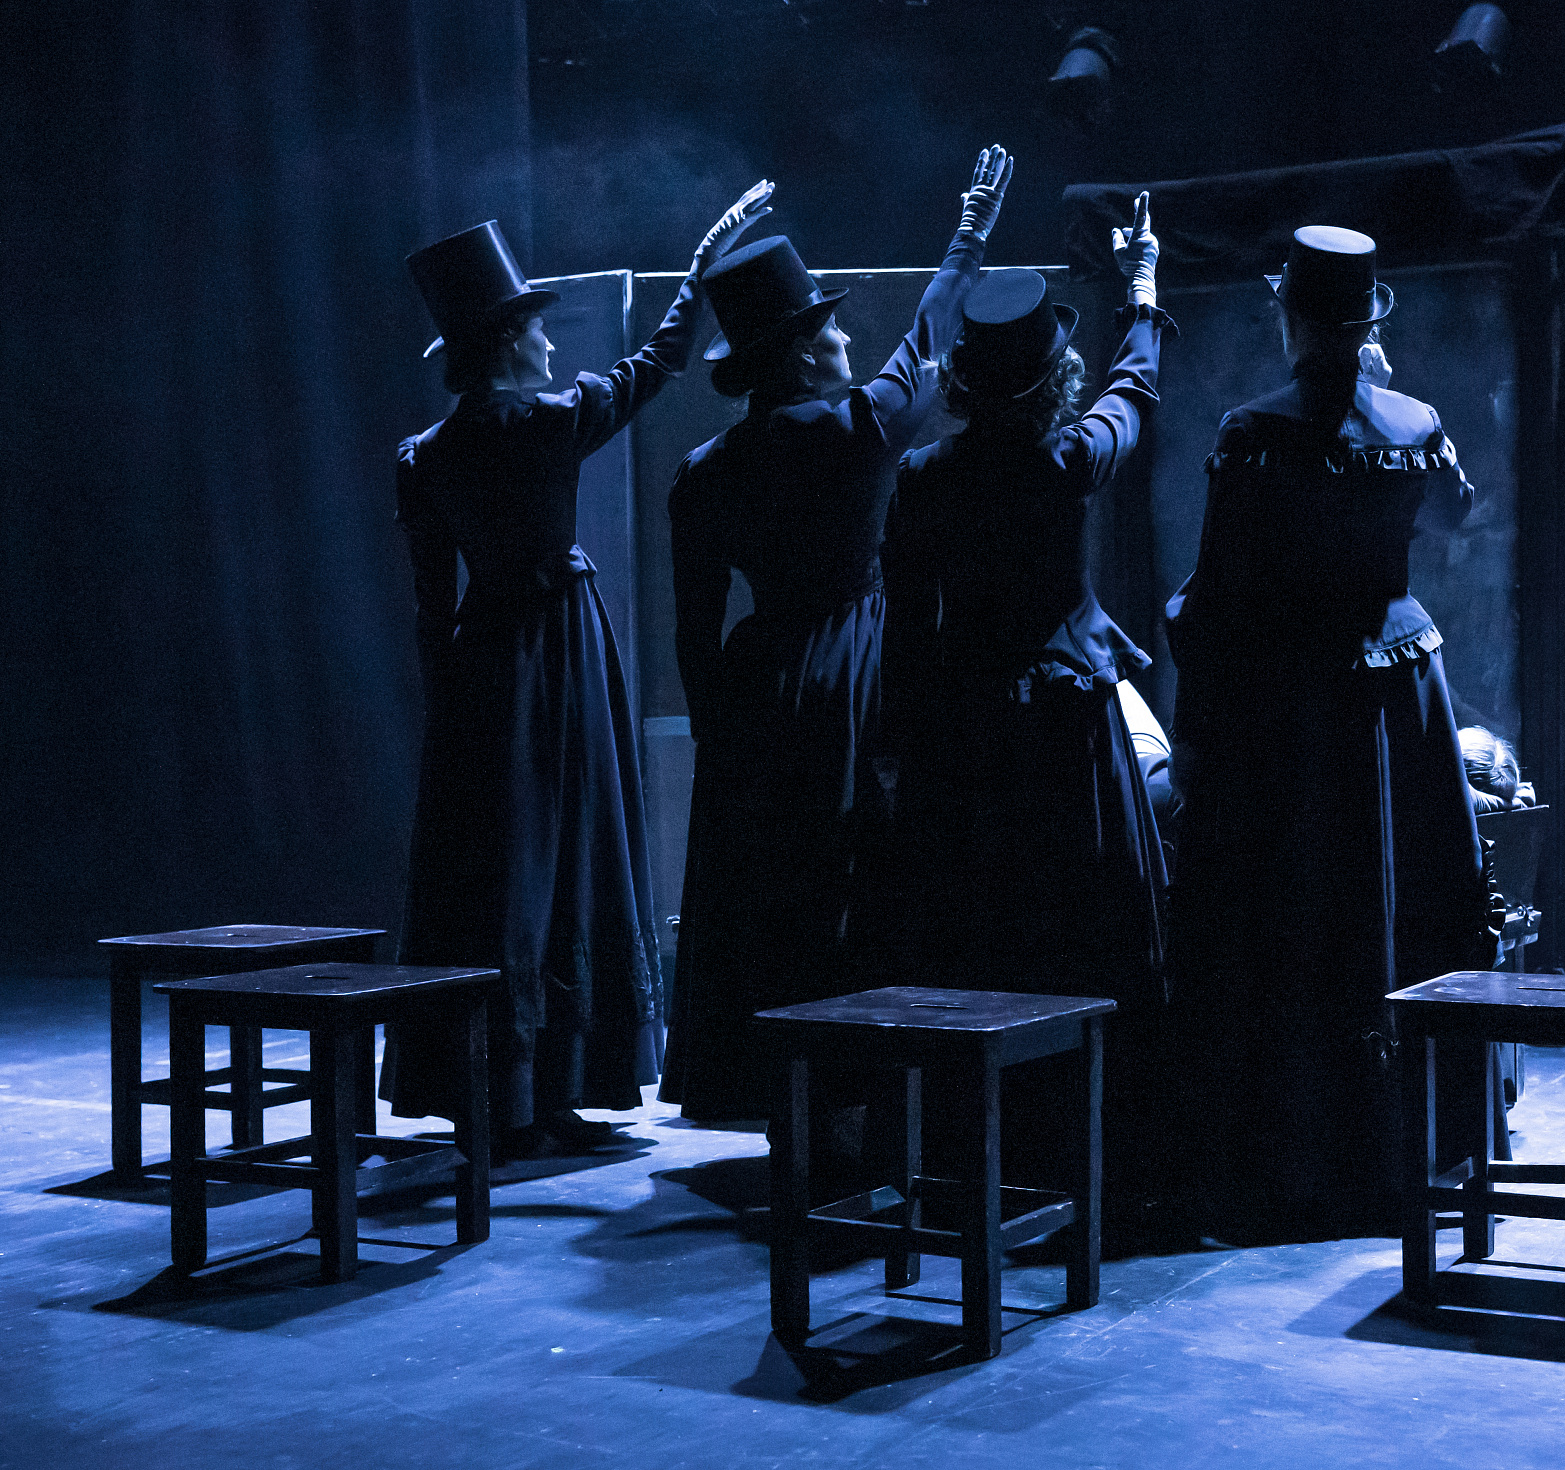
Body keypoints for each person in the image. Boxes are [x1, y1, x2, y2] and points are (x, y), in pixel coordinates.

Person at [386, 187, 775, 1159]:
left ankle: (507, 1088)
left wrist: (450, 710)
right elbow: (659, 363)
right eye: (537, 328)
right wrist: (699, 267)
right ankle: (540, 1086)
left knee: (500, 862)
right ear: (507, 341)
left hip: (484, 666)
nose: (551, 342)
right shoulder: (546, 422)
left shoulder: (425, 455)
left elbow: (432, 605)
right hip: (556, 654)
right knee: (563, 850)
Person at [659, 147, 1013, 1123]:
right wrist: (969, 232)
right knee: (852, 869)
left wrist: (718, 729)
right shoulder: (858, 429)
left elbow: (694, 627)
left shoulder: (702, 471)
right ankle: (859, 1084)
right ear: (803, 354)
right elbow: (928, 333)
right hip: (854, 661)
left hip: (759, 682)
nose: (846, 336)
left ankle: (759, 1076)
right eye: (827, 327)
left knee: (763, 878)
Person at [1166, 225, 1499, 1242]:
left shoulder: (1254, 430)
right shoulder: (1414, 419)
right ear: (1364, 322)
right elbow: (1455, 518)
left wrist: (1195, 698)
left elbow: (1220, 589)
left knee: (1305, 913)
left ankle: (1302, 1151)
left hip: (1296, 703)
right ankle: (1413, 1136)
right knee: (1405, 900)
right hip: (1400, 692)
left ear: (1292, 318)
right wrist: (1390, 402)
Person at [878, 199, 1172, 1213]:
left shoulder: (922, 476)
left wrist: (897, 753)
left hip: (962, 735)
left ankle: (976, 1142)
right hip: (1062, 727)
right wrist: (1142, 285)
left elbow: (905, 625)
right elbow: (1133, 389)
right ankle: (1086, 1138)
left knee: (980, 927)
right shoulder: (1065, 460)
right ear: (1052, 378)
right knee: (1081, 925)